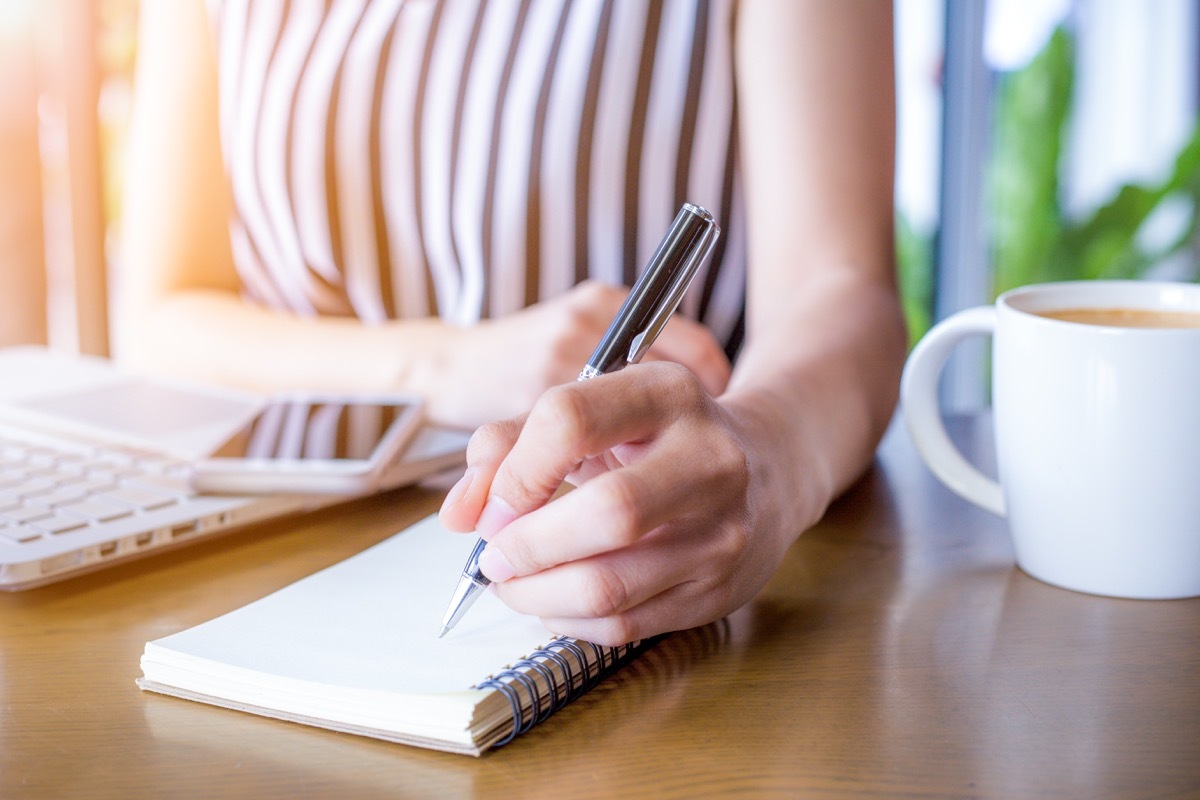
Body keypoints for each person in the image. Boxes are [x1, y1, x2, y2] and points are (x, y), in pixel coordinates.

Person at [120, 0, 906, 646]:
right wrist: (446, 366)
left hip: (651, 556)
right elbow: (158, 317)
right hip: (258, 551)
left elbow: (840, 287)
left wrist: (768, 454)